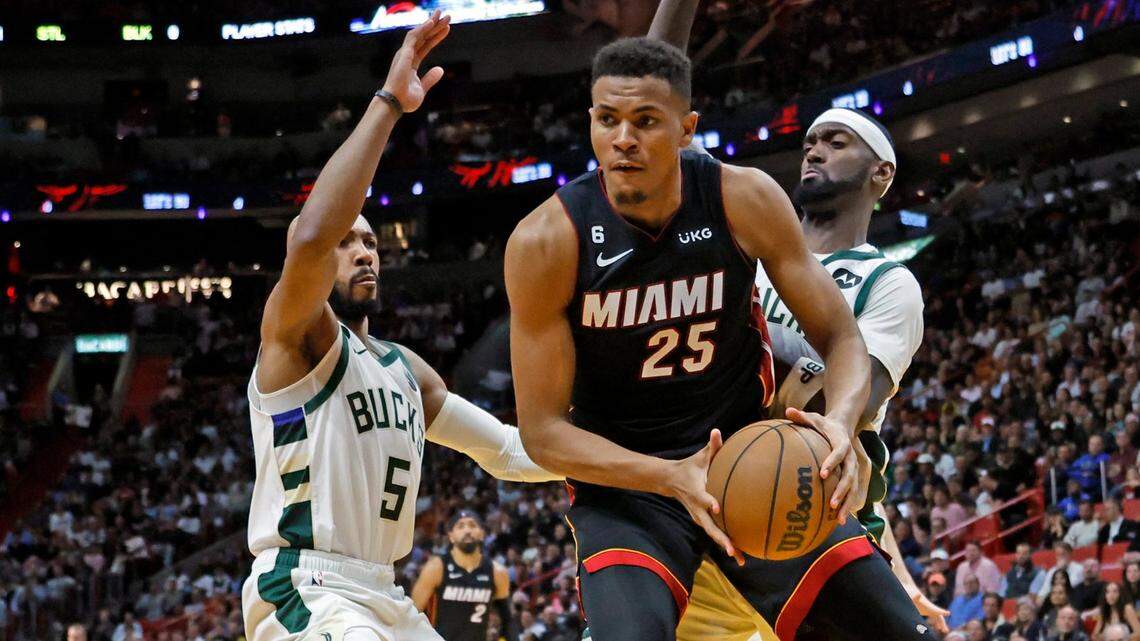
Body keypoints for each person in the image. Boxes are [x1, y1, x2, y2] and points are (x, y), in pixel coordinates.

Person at [506, 33, 931, 641]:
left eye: (646, 121)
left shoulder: (743, 198)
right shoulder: (546, 241)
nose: (623, 139)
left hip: (747, 456)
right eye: (607, 120)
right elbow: (543, 432)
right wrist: (667, 476)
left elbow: (840, 337)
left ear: (686, 129)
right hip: (631, 492)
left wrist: (838, 422)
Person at [240, 14, 559, 641]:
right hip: (308, 587)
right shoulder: (296, 339)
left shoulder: (407, 370)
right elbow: (309, 236)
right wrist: (389, 104)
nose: (363, 252)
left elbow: (509, 453)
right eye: (346, 242)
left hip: (383, 591)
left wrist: (626, 454)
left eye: (370, 242)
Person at [411, 510, 514, 641]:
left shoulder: (497, 572)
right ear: (451, 536)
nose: (467, 530)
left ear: (482, 533)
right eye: (460, 526)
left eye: (472, 525)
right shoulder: (436, 568)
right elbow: (413, 615)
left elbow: (508, 621)